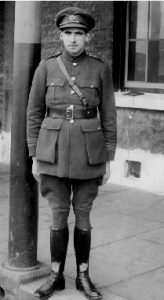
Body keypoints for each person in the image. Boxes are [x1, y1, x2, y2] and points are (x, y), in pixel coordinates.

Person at [27, 6, 117, 300]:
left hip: (90, 154)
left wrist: (109, 158)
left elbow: (109, 116)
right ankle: (55, 276)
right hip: (51, 152)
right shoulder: (46, 68)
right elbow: (34, 114)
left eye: (79, 34)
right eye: (68, 34)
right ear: (61, 37)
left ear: (87, 38)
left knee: (83, 217)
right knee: (57, 217)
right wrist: (34, 156)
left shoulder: (100, 69)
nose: (74, 39)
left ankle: (83, 275)